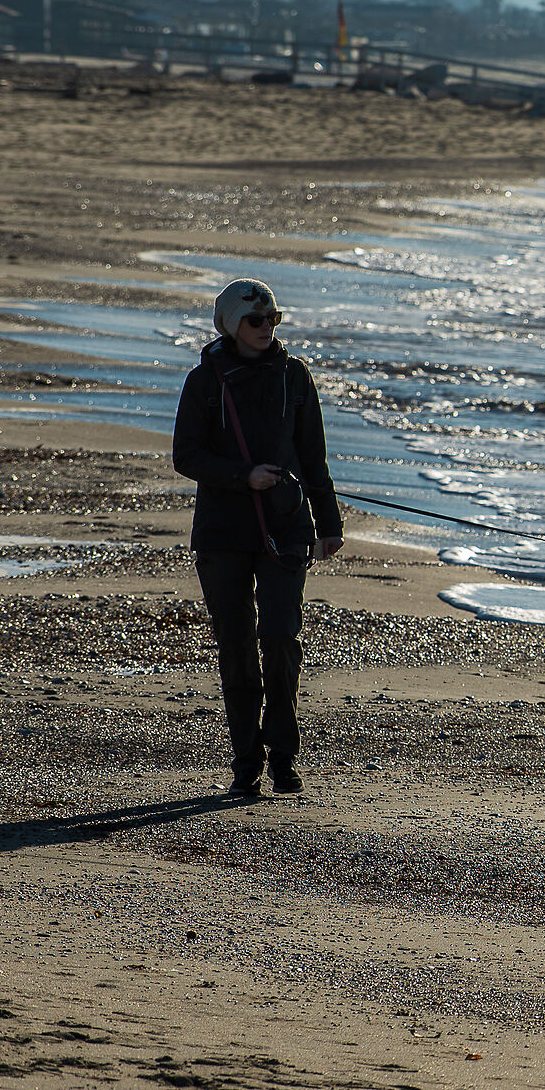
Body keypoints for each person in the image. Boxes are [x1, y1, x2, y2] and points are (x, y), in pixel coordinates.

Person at [172, 278, 344, 796]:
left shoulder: (296, 377)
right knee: (236, 646)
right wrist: (243, 476)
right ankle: (245, 762)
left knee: (280, 639)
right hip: (223, 532)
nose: (266, 328)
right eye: (255, 321)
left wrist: (329, 525)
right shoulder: (204, 382)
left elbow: (314, 457)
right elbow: (186, 457)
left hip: (286, 528)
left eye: (272, 319)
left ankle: (284, 759)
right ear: (229, 324)